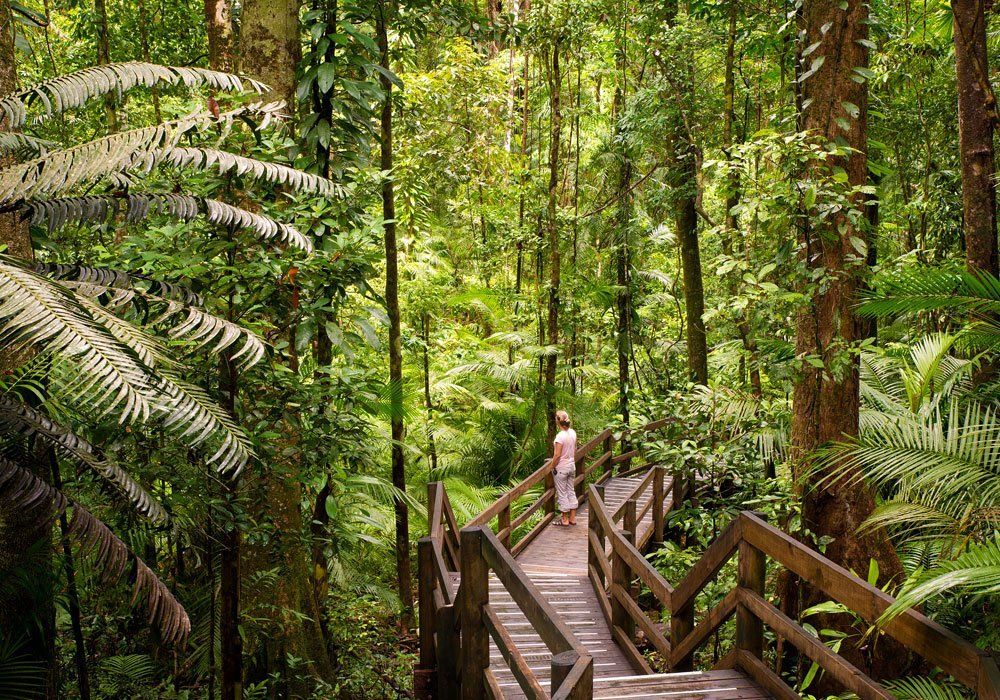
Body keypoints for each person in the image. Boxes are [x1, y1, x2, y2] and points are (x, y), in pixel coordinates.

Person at [548, 410, 578, 526]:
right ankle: (573, 518)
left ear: (557, 421)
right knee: (571, 490)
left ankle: (564, 519)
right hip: (571, 465)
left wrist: (551, 466)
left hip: (561, 467)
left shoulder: (560, 436)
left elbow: (557, 455)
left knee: (562, 493)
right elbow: (574, 449)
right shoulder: (572, 433)